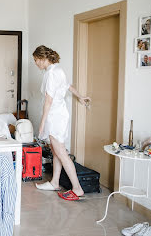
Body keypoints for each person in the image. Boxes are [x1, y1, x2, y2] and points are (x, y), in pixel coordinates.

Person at [32, 45, 91, 201]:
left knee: (61, 152)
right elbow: (68, 86)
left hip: (54, 116)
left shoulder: (51, 74)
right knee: (56, 149)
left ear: (43, 58)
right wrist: (80, 96)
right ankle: (55, 182)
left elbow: (48, 101)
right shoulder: (58, 70)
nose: (36, 63)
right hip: (61, 114)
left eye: (36, 60)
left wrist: (42, 123)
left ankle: (77, 188)